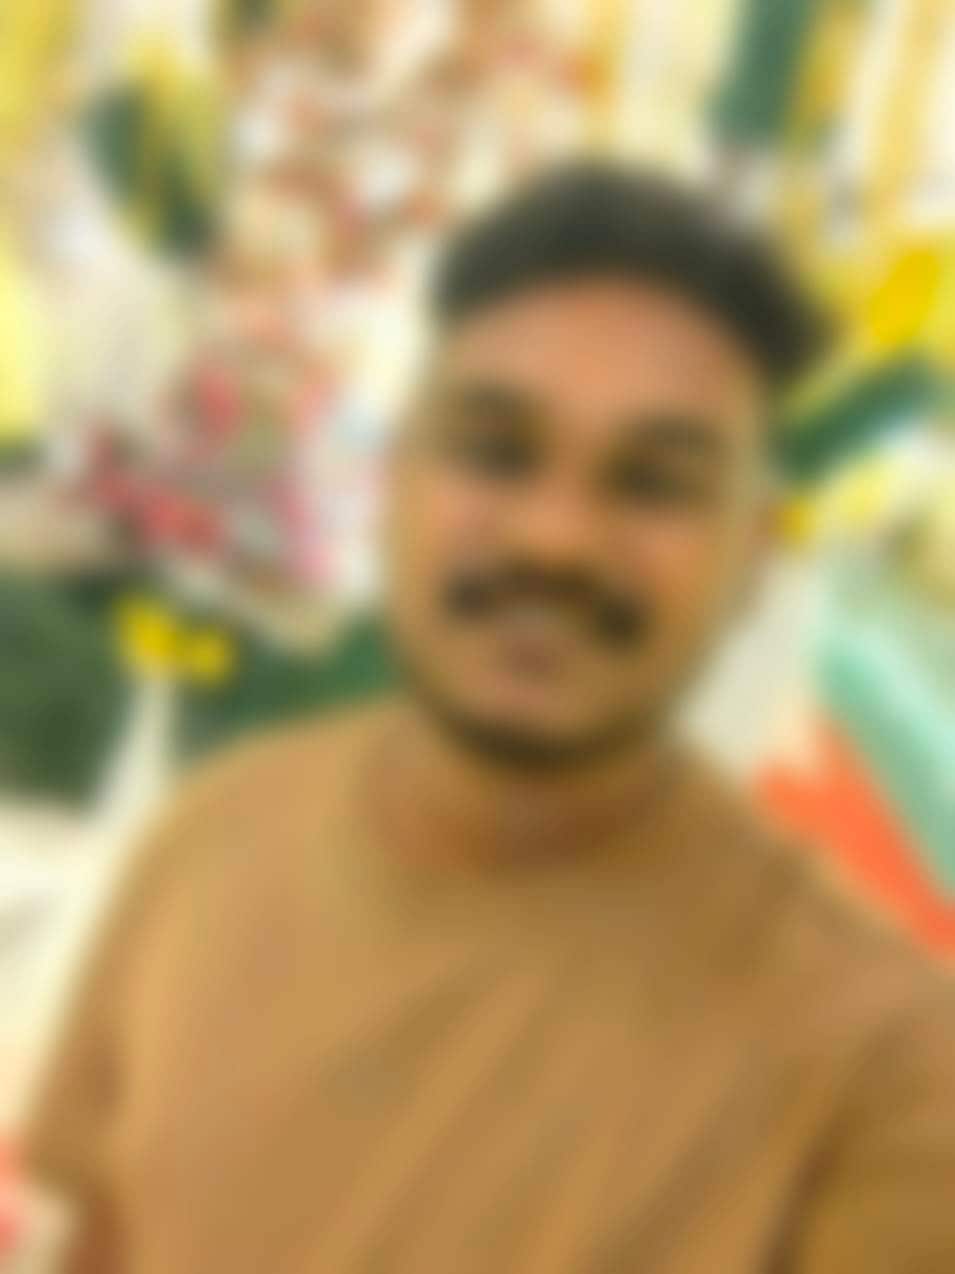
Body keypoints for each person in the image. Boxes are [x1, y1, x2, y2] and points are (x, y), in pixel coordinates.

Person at [21, 163, 955, 1273]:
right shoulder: (209, 838)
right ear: (393, 483)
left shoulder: (875, 1075)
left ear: (753, 554)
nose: (554, 537)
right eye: (495, 451)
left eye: (653, 482)